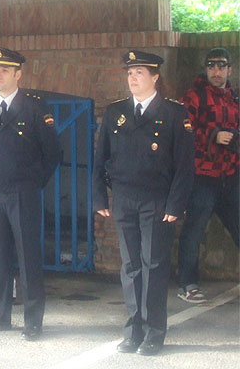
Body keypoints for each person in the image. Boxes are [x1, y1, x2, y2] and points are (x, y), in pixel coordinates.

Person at [93, 50, 195, 356]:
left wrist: (175, 205)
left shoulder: (174, 113)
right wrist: (99, 196)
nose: (133, 78)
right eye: (130, 73)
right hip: (125, 198)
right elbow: (101, 157)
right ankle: (133, 329)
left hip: (157, 201)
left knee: (154, 266)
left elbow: (184, 166)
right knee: (131, 267)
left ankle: (154, 332)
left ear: (155, 77)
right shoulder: (116, 112)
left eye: (139, 72)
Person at [0, 48, 61, 341]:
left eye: (5, 71)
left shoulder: (34, 107)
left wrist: (32, 182)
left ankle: (33, 320)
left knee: (28, 256)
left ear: (18, 74)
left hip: (23, 192)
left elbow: (52, 152)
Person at [177, 47, 239, 303]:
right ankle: (188, 285)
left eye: (221, 66)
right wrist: (213, 136)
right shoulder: (193, 97)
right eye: (211, 66)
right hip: (202, 176)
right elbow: (183, 132)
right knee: (193, 232)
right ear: (205, 69)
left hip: (231, 176)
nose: (216, 71)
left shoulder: (235, 98)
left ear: (229, 70)